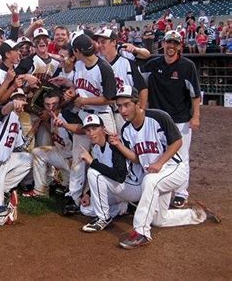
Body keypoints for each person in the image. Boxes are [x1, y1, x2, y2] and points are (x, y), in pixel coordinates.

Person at [114, 85, 220, 249]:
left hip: (174, 169)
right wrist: (119, 145)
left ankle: (141, 232)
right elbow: (136, 159)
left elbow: (177, 142)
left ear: (137, 103)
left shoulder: (158, 117)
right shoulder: (126, 130)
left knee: (149, 182)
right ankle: (198, 214)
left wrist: (159, 162)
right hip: (157, 175)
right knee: (159, 220)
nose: (122, 110)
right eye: (119, 106)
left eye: (126, 104)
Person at [141, 30, 201, 209]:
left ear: (179, 46)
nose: (171, 47)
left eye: (175, 43)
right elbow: (138, 79)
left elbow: (195, 94)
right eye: (169, 43)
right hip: (157, 119)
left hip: (180, 119)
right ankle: (160, 188)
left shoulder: (187, 66)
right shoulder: (153, 64)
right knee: (160, 154)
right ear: (163, 44)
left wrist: (196, 116)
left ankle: (181, 193)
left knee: (181, 157)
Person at [79, 114, 144, 232]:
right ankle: (124, 207)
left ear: (103, 129)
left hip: (133, 186)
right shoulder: (97, 149)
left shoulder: (114, 145)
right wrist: (88, 193)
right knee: (86, 209)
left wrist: (92, 162)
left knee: (93, 172)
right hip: (118, 189)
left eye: (94, 128)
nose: (91, 133)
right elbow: (104, 172)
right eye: (88, 130)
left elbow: (120, 176)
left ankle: (104, 218)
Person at [28, 91, 83, 198]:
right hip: (62, 155)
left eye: (54, 104)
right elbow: (56, 135)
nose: (51, 107)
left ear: (59, 104)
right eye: (47, 105)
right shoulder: (51, 117)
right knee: (38, 152)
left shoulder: (66, 114)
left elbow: (83, 128)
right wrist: (44, 122)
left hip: (76, 160)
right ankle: (40, 190)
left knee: (75, 195)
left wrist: (65, 125)